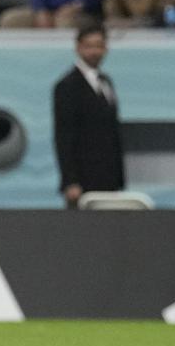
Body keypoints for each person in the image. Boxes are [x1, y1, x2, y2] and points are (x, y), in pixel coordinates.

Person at [53, 22, 124, 208]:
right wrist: (70, 181)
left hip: (108, 178)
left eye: (99, 46)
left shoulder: (106, 82)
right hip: (83, 180)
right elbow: (63, 135)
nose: (95, 51)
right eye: (89, 46)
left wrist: (119, 177)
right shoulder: (67, 86)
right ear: (78, 48)